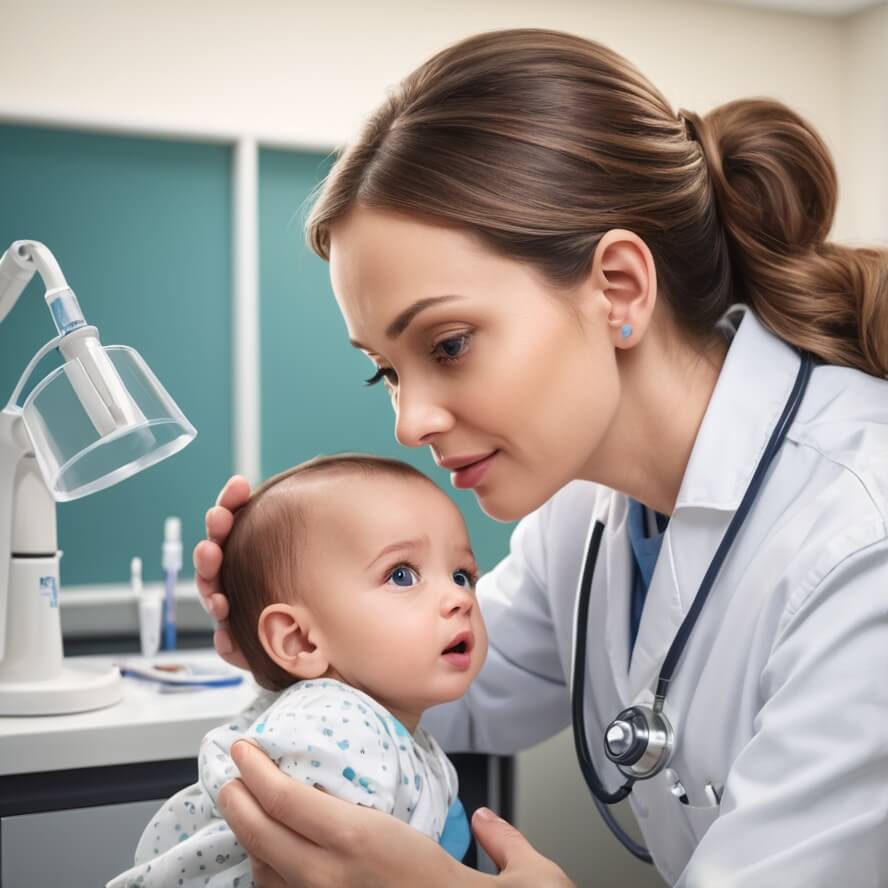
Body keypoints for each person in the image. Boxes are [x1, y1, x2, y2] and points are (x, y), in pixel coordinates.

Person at [194, 27, 888, 888]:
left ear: (620, 289)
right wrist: (307, 637)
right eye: (386, 371)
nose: (409, 422)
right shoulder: (584, 502)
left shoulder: (863, 536)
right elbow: (447, 690)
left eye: (447, 344)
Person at [109, 454, 487, 888]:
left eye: (462, 575)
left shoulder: (386, 725)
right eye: (401, 574)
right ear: (300, 640)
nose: (462, 599)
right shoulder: (335, 733)